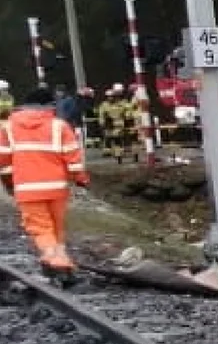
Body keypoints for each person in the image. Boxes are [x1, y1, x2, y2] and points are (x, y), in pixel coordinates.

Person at [0, 87, 89, 280]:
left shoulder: (8, 127)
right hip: (57, 188)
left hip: (26, 189)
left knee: (40, 228)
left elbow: (4, 162)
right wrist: (81, 180)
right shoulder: (60, 126)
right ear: (49, 105)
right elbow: (73, 159)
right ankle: (58, 261)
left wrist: (9, 184)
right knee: (56, 227)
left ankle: (57, 264)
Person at [98, 84, 127, 162]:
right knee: (109, 138)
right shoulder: (104, 105)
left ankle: (119, 155)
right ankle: (109, 152)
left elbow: (126, 112)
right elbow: (101, 115)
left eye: (112, 96)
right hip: (109, 125)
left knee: (118, 139)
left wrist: (126, 117)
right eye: (109, 96)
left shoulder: (120, 104)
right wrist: (102, 123)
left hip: (119, 125)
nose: (110, 98)